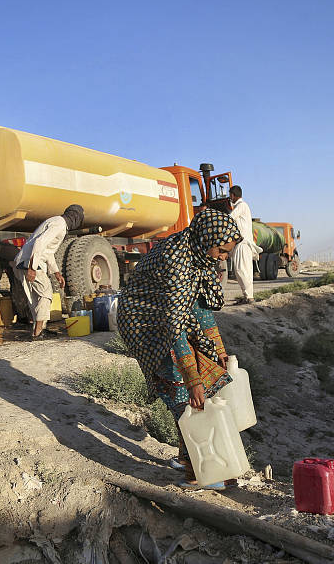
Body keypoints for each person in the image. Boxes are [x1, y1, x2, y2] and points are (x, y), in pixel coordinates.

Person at [117, 209, 241, 489]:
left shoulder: (200, 255)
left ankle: (189, 456)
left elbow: (200, 307)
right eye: (221, 250)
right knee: (181, 390)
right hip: (144, 320)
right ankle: (196, 472)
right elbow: (173, 327)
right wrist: (193, 379)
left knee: (198, 386)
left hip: (172, 316)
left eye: (227, 252)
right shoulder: (176, 260)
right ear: (207, 238)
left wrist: (218, 349)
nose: (223, 257)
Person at [13, 204, 84, 339]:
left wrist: (56, 273)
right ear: (75, 218)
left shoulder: (56, 221)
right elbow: (39, 243)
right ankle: (38, 332)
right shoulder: (59, 225)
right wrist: (32, 268)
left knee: (35, 299)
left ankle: (38, 330)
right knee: (46, 294)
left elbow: (47, 251)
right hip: (31, 262)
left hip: (23, 261)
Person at [228, 185, 262, 305]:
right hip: (242, 243)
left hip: (242, 243)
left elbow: (230, 219)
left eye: (230, 195)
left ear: (233, 195)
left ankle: (249, 297)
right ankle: (247, 296)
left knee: (240, 270)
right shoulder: (240, 206)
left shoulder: (241, 206)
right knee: (244, 271)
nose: (229, 197)